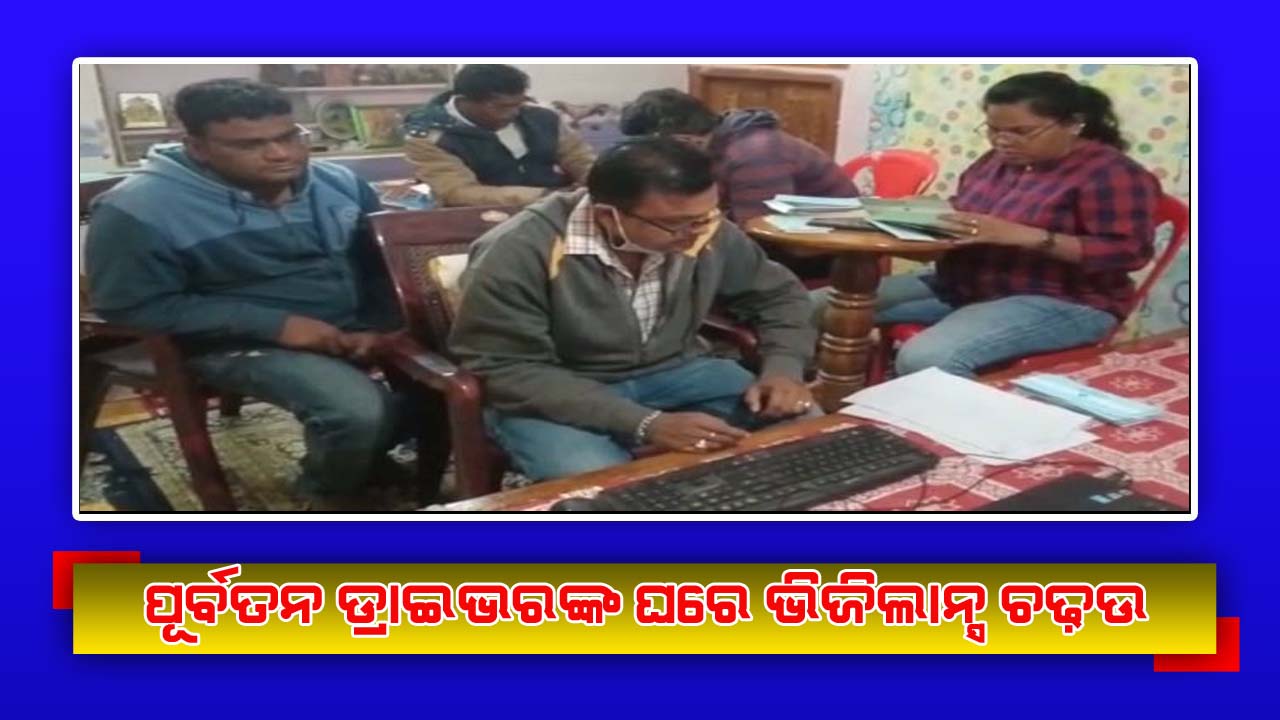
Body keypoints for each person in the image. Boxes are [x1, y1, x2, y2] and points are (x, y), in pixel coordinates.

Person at [86, 79, 408, 510]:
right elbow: (130, 305)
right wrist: (276, 326)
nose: (280, 154)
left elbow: (379, 263)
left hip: (350, 324)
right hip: (233, 341)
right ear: (197, 147)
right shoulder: (136, 209)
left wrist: (378, 323)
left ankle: (367, 457)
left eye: (289, 136)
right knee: (356, 412)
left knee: (465, 371)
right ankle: (329, 495)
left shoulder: (340, 182)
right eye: (249, 144)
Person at [448, 138, 818, 481]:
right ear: (607, 216)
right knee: (601, 483)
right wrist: (645, 423)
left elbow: (778, 296)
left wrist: (784, 369)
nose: (697, 232)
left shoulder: (704, 228)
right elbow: (506, 367)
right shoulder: (517, 250)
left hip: (676, 370)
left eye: (707, 215)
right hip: (558, 390)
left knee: (803, 426)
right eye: (674, 224)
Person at [829, 72, 1161, 379]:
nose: (1002, 141)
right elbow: (966, 210)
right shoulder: (996, 162)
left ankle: (971, 425)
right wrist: (920, 222)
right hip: (965, 285)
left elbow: (1128, 252)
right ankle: (813, 405)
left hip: (1063, 299)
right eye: (993, 129)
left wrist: (1026, 237)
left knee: (926, 358)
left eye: (1020, 132)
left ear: (1073, 124)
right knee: (816, 307)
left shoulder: (1110, 173)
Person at [620, 88, 857, 279]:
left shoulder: (753, 152)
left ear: (682, 139)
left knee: (678, 264)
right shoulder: (716, 145)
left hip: (826, 252)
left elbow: (760, 234)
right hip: (782, 238)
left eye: (654, 149)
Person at [402, 64, 596, 207]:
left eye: (518, 104)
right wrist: (544, 196)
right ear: (463, 101)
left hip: (558, 204)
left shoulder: (542, 117)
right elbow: (458, 192)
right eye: (501, 107)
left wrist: (600, 184)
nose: (513, 113)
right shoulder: (427, 136)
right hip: (483, 216)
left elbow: (579, 158)